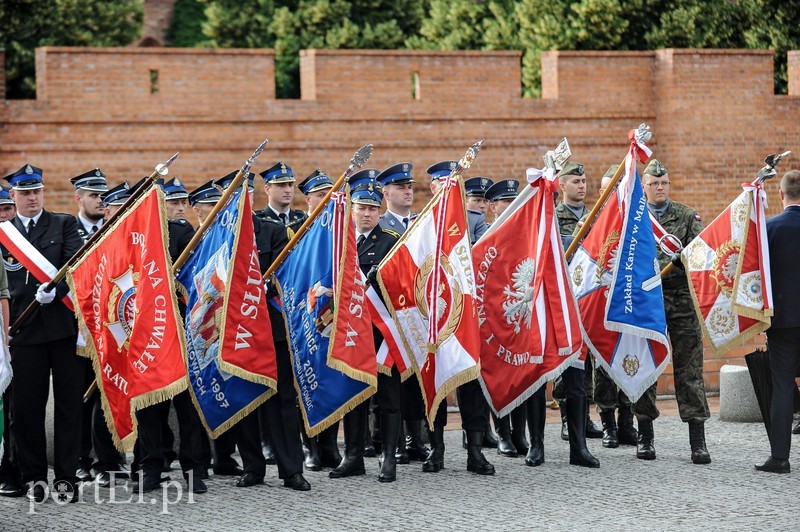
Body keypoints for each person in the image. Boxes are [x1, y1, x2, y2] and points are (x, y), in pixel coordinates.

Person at [1, 164, 84, 502]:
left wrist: (58, 290)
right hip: (24, 333)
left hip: (64, 332)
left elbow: (76, 265)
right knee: (27, 410)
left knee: (68, 408)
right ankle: (33, 477)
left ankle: (66, 479)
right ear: (14, 196)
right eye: (25, 193)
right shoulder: (5, 233)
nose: (32, 197)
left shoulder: (64, 224)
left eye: (37, 191)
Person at [133, 177, 208, 494]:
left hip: (179, 331)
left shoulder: (182, 233)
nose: (178, 208)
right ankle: (151, 467)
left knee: (188, 407)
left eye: (179, 202)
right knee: (149, 406)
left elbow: (194, 278)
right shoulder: (135, 237)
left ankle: (193, 470)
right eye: (171, 202)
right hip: (146, 333)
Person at [329, 171, 403, 482]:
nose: (368, 213)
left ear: (379, 212)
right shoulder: (339, 244)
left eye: (373, 208)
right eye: (362, 207)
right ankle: (353, 456)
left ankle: (388, 457)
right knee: (354, 395)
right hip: (351, 334)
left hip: (382, 334)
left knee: (388, 399)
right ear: (352, 210)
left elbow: (402, 286)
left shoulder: (391, 242)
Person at [636, 159, 711, 464]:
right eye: (654, 184)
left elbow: (703, 249)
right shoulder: (634, 217)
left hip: (681, 301)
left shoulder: (685, 215)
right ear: (644, 187)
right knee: (645, 368)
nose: (660, 188)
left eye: (664, 182)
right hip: (647, 302)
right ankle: (645, 437)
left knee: (690, 370)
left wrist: (687, 257)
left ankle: (698, 441)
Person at [69, 169, 129, 487]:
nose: (99, 201)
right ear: (78, 198)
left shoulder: (116, 231)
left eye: (103, 196)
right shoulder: (68, 230)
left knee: (109, 392)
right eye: (93, 195)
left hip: (111, 327)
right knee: (80, 397)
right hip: (80, 330)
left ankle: (109, 460)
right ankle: (80, 460)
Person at [376, 163, 429, 464]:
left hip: (418, 314)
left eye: (409, 186)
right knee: (392, 383)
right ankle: (394, 442)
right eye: (400, 187)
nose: (408, 191)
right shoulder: (381, 227)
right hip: (389, 317)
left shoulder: (421, 224)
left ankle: (415, 438)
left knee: (417, 382)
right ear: (385, 193)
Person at [588, 166, 638, 448]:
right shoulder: (591, 222)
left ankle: (627, 423)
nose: (614, 195)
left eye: (617, 189)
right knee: (604, 365)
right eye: (608, 190)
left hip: (627, 303)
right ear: (601, 193)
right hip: (600, 303)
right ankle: (607, 423)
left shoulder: (633, 221)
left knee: (629, 357)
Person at [553, 161, 603, 442]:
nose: (582, 186)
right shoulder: (553, 217)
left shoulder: (595, 216)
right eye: (576, 181)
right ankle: (565, 417)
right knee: (567, 358)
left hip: (589, 294)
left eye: (584, 181)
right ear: (562, 185)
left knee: (587, 360)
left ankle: (584, 417)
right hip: (565, 296)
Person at [295, 168, 341, 471]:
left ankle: (329, 445)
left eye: (329, 193)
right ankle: (310, 445)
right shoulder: (296, 229)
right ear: (308, 198)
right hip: (303, 313)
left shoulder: (339, 230)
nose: (325, 199)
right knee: (306, 380)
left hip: (332, 314)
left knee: (332, 378)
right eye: (319, 194)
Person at [755, 169, 800, 473]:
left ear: (781, 195)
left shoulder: (768, 230)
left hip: (782, 321)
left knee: (782, 386)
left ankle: (780, 458)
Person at [484, 179, 530, 458]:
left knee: (521, 372)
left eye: (515, 201)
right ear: (492, 207)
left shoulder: (523, 235)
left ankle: (520, 432)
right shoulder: (487, 237)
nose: (511, 206)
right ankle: (502, 432)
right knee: (498, 374)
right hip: (492, 316)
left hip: (520, 315)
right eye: (505, 202)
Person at [0, 187, 21, 498]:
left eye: (8, 209)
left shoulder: (24, 242)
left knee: (15, 411)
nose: (4, 215)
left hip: (17, 337)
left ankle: (11, 471)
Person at [259, 161, 306, 235]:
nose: (288, 190)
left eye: (290, 185)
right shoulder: (258, 221)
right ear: (267, 189)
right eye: (281, 185)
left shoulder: (302, 218)